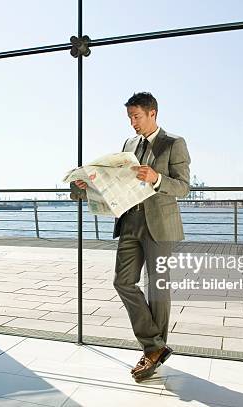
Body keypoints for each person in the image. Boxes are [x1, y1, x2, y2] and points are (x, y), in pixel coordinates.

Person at [72, 92, 191, 381]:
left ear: (152, 113)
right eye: (129, 117)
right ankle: (155, 346)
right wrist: (86, 186)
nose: (132, 123)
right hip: (129, 222)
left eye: (136, 116)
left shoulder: (174, 143)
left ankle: (152, 354)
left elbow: (184, 187)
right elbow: (119, 181)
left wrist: (157, 178)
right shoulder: (129, 144)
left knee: (158, 290)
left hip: (159, 225)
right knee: (122, 281)